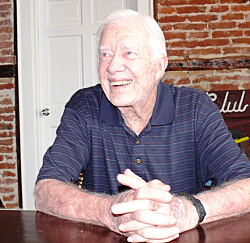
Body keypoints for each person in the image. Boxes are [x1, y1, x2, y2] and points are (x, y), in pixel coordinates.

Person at [35, 9, 250, 243]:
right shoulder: (85, 107)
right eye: (105, 54)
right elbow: (45, 190)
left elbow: (246, 185)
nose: (113, 66)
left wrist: (187, 211)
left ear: (159, 66)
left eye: (129, 53)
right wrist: (111, 210)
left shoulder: (195, 108)